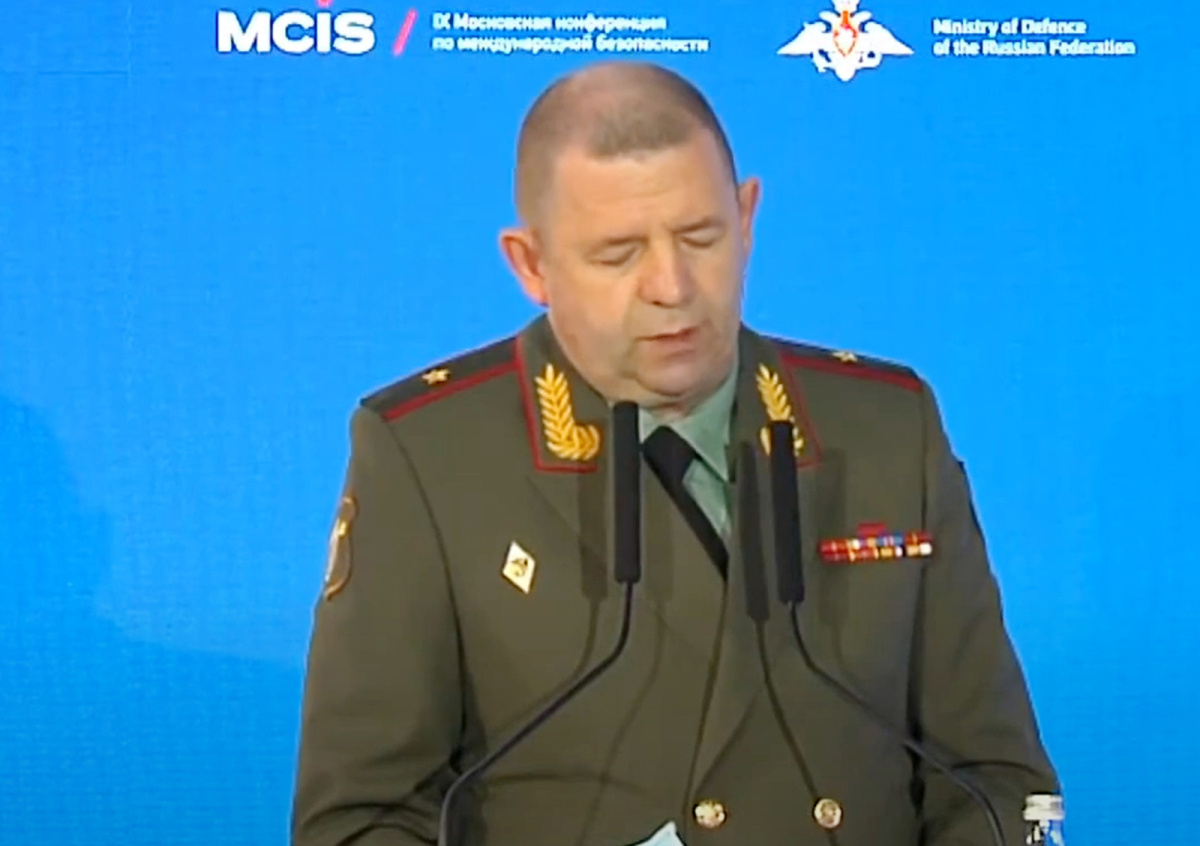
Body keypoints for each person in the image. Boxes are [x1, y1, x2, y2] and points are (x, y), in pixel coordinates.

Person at [290, 60, 1058, 846]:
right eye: (618, 254)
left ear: (747, 217)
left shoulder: (886, 427)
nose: (671, 285)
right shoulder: (430, 454)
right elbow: (363, 818)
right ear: (531, 264)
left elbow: (996, 783)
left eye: (700, 237)